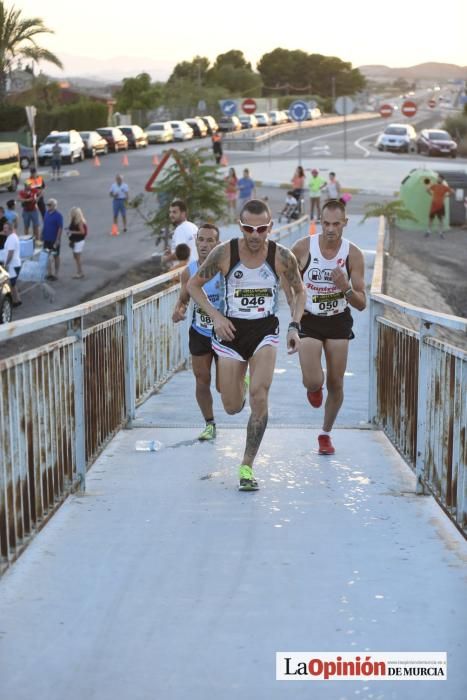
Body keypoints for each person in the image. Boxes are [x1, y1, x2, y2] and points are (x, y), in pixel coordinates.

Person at [187, 199, 306, 491]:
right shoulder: (223, 253)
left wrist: (294, 325)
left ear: (270, 227)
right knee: (230, 406)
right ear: (241, 227)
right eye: (250, 229)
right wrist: (215, 317)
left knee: (260, 396)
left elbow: (300, 292)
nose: (255, 235)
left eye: (262, 229)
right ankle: (242, 383)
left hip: (265, 331)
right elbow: (193, 285)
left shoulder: (282, 256)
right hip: (230, 333)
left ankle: (246, 466)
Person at [290, 199, 366, 456]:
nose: (331, 229)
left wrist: (345, 287)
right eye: (326, 223)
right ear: (319, 222)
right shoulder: (303, 247)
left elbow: (362, 303)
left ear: (345, 223)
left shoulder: (352, 254)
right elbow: (286, 279)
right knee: (313, 380)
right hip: (309, 319)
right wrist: (294, 309)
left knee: (336, 382)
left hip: (337, 320)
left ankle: (325, 433)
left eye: (336, 223)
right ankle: (314, 388)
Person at [172, 224, 222, 442]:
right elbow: (183, 300)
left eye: (210, 240)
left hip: (225, 333)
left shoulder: (226, 269)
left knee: (224, 387)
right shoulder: (188, 272)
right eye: (201, 239)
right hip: (200, 332)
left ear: (217, 244)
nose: (204, 244)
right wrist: (179, 311)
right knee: (202, 379)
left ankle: (241, 380)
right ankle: (209, 423)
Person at [162, 199, 198, 266]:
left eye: (174, 212)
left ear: (183, 213)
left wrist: (166, 259)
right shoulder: (193, 226)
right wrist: (172, 250)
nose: (171, 215)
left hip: (185, 271)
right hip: (195, 268)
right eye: (170, 212)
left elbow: (181, 254)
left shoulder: (180, 229)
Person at [424, 174, 454, 239]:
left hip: (440, 205)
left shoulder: (445, 187)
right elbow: (427, 190)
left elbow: (452, 191)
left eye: (439, 178)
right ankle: (428, 231)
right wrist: (431, 194)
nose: (438, 179)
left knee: (441, 220)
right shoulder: (434, 185)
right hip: (434, 205)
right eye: (438, 178)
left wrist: (446, 196)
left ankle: (441, 233)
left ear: (442, 180)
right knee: (431, 219)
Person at [42, 198, 63, 281]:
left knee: (55, 256)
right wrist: (41, 233)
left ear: (54, 206)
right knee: (46, 256)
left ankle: (56, 273)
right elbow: (45, 224)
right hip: (46, 239)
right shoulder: (46, 213)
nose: (48, 206)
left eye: (50, 205)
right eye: (47, 204)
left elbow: (60, 228)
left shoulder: (58, 215)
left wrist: (57, 240)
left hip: (54, 240)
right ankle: (49, 273)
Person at [3, 222, 22, 306]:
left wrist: (5, 264)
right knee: (13, 284)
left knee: (10, 284)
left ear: (10, 229)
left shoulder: (11, 239)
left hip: (12, 265)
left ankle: (14, 301)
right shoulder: (12, 236)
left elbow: (10, 254)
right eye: (4, 228)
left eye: (6, 228)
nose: (4, 229)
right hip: (15, 264)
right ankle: (17, 300)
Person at [68, 207, 87, 279]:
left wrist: (72, 232)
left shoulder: (79, 221)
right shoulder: (73, 220)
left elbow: (82, 232)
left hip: (79, 241)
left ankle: (80, 272)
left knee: (77, 257)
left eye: (72, 213)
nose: (71, 214)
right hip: (75, 241)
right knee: (75, 257)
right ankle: (79, 271)